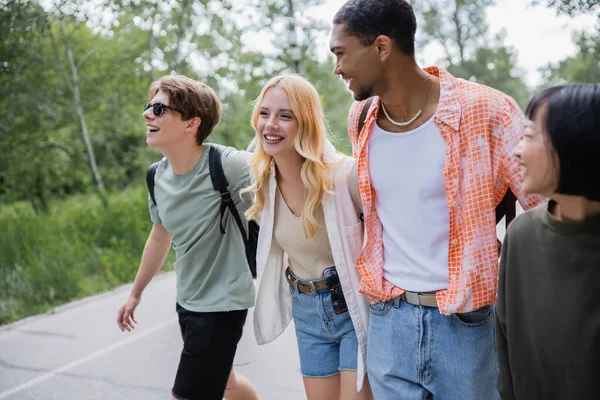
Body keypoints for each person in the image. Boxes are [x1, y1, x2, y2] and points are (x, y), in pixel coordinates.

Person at [329, 1, 544, 398]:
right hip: (389, 322)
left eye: (341, 53)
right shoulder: (359, 117)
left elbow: (546, 208)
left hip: (466, 327)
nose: (337, 67)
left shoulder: (487, 110)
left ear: (381, 47)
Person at [115, 75, 259, 400]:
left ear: (191, 123)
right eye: (148, 106)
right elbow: (159, 236)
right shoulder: (157, 176)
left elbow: (284, 174)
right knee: (227, 382)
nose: (146, 114)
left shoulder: (228, 164)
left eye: (158, 108)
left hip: (223, 304)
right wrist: (135, 294)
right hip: (188, 301)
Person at [243, 74, 372, 400]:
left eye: (285, 115)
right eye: (265, 113)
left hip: (352, 307)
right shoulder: (264, 181)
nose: (270, 124)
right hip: (307, 311)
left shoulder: (345, 176)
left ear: (306, 122)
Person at [496, 84, 600, 399]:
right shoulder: (521, 235)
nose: (517, 151)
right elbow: (505, 347)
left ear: (572, 142)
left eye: (528, 136)